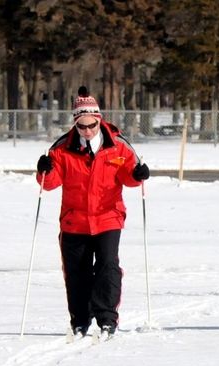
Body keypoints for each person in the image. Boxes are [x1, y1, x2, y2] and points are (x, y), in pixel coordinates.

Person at [36, 86, 150, 340]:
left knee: (108, 267)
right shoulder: (62, 149)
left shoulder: (118, 148)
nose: (87, 131)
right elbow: (51, 182)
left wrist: (137, 174)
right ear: (75, 124)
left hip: (108, 217)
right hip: (74, 221)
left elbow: (129, 176)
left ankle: (107, 318)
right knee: (77, 272)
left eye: (91, 125)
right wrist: (44, 169)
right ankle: (80, 320)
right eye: (81, 126)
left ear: (99, 120)